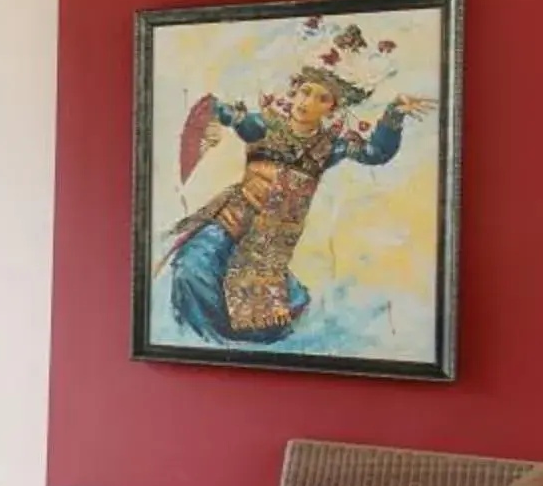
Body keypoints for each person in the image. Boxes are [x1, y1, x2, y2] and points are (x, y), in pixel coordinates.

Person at [163, 62, 429, 345]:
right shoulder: (264, 126)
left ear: (333, 109)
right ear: (294, 92)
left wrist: (393, 114)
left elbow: (375, 152)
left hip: (271, 241)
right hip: (232, 218)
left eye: (322, 98)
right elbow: (232, 117)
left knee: (265, 325)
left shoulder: (331, 146)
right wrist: (215, 111)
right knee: (190, 270)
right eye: (305, 91)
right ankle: (202, 342)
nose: (308, 102)